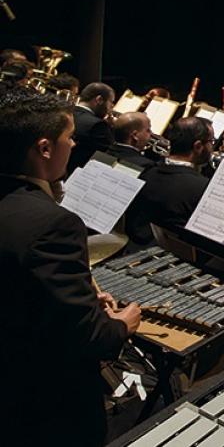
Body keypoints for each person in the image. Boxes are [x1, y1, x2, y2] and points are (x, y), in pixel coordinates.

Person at [0, 89, 140, 446]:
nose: (74, 144)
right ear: (45, 148)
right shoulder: (53, 224)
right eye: (69, 137)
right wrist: (121, 324)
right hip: (39, 407)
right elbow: (88, 338)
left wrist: (82, 294)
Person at [125, 117, 213, 246]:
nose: (212, 147)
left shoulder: (145, 173)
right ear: (198, 146)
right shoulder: (203, 188)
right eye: (211, 141)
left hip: (140, 246)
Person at [69, 81, 116, 172]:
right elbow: (111, 156)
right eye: (111, 102)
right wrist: (111, 128)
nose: (112, 107)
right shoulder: (98, 125)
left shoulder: (65, 113)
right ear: (99, 100)